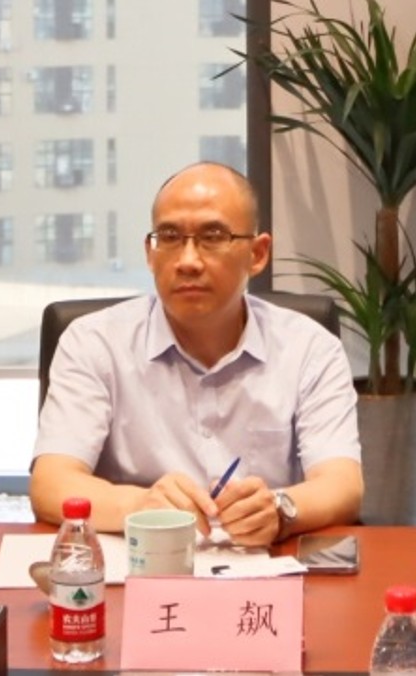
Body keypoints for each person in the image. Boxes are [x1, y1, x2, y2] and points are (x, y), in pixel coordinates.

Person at [30, 161, 363, 546]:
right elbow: (51, 483)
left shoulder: (309, 348)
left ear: (257, 254)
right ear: (150, 253)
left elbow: (342, 484)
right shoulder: (93, 342)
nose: (188, 261)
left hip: (263, 565)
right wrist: (140, 506)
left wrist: (280, 509)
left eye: (213, 236)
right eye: (170, 237)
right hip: (139, 564)